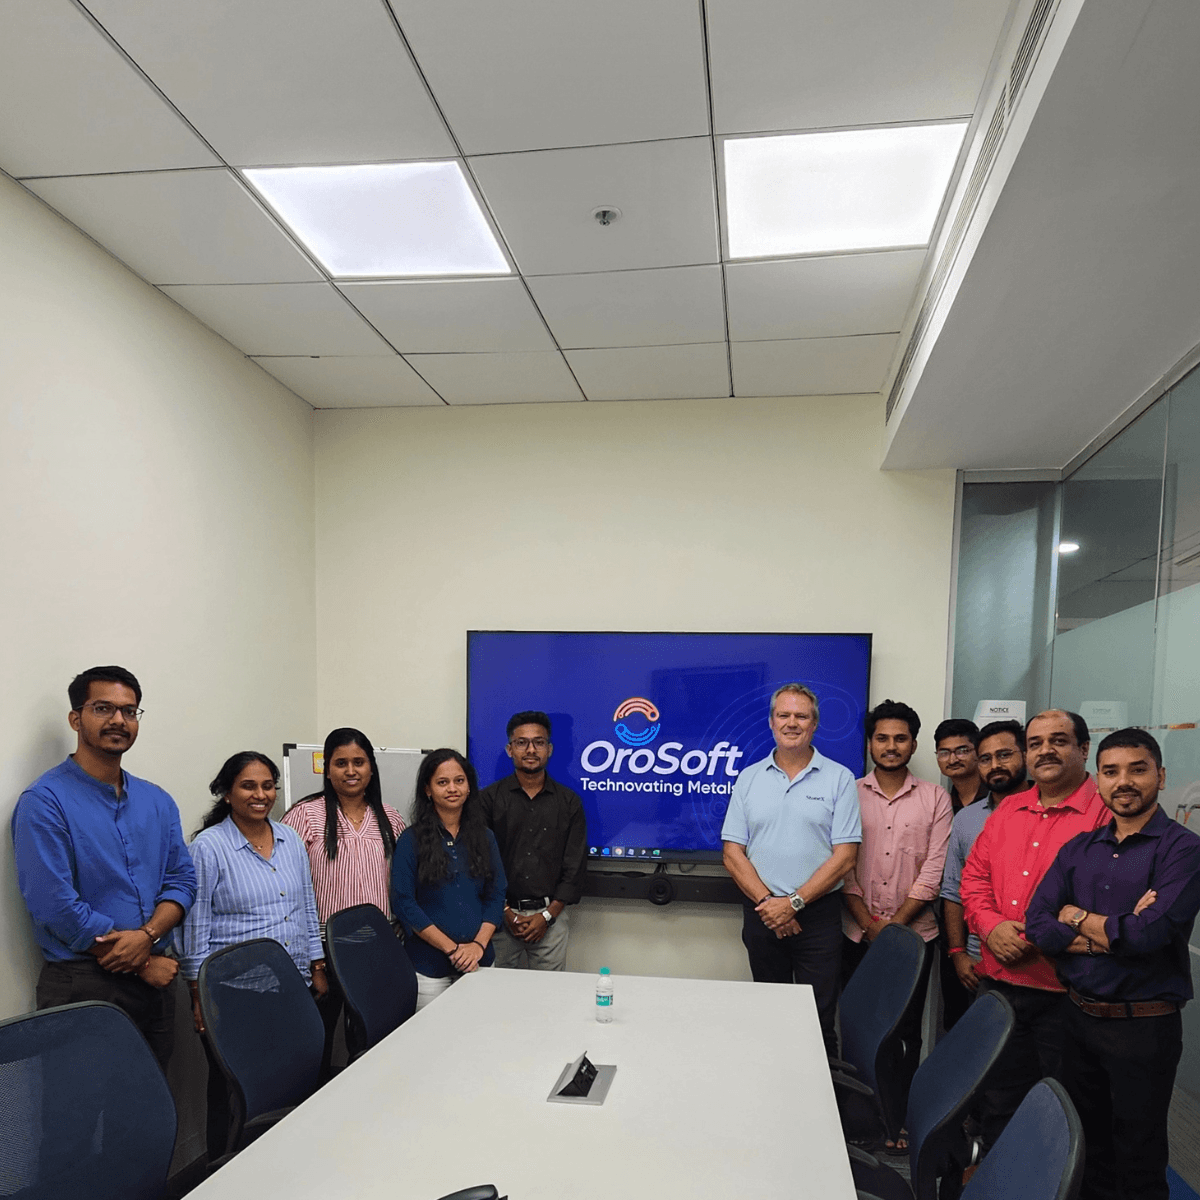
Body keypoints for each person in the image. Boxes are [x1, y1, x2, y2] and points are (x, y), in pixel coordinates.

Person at [1027, 729, 1200, 1200]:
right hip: (1076, 1018)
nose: (1123, 781)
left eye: (1137, 770)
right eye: (1111, 771)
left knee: (1138, 1160)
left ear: (1161, 776)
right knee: (1085, 1152)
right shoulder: (1078, 849)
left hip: (1142, 1028)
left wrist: (1075, 915)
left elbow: (1148, 936)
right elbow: (1038, 924)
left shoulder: (1183, 849)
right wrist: (1108, 936)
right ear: (1097, 779)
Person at [11, 665, 195, 1071]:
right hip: (85, 983)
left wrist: (149, 936)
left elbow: (182, 880)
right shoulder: (44, 801)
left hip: (155, 983)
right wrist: (142, 962)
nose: (118, 720)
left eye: (129, 711)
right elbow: (55, 904)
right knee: (81, 1106)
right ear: (75, 719)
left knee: (150, 1101)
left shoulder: (157, 800)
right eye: (103, 708)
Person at [960, 709, 1107, 1148]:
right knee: (997, 1102)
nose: (1046, 751)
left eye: (1058, 741)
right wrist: (991, 927)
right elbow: (974, 878)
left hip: (1068, 993)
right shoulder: (1009, 808)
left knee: (1063, 1113)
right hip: (1000, 984)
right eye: (1036, 743)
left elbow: (1108, 901)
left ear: (1083, 749)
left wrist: (1031, 936)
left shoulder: (1105, 813)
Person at [179, 751, 326, 1160]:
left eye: (267, 786)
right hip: (235, 993)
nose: (260, 795)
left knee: (290, 1082)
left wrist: (316, 964)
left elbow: (306, 904)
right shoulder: (209, 847)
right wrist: (198, 994)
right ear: (227, 793)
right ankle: (223, 1172)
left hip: (291, 985)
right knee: (235, 1091)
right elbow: (195, 924)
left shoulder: (290, 839)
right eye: (248, 786)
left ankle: (287, 1163)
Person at [721, 683, 860, 1060]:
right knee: (769, 1016)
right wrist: (771, 904)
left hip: (817, 916)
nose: (792, 723)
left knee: (818, 1020)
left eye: (802, 716)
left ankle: (827, 1094)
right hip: (762, 913)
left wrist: (793, 903)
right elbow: (732, 853)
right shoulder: (749, 778)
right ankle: (773, 1090)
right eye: (784, 715)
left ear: (815, 724)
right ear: (771, 722)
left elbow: (845, 856)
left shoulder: (839, 779)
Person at [842, 700, 953, 1146]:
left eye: (900, 738)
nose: (891, 746)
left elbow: (935, 870)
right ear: (870, 743)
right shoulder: (846, 792)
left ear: (913, 744)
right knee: (856, 1030)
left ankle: (898, 1119)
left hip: (915, 938)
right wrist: (868, 923)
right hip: (855, 934)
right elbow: (842, 865)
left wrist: (892, 930)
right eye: (882, 738)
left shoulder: (935, 798)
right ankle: (861, 1122)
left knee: (905, 1033)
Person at [282, 727, 405, 1074]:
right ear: (327, 769)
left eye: (359, 762)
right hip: (324, 951)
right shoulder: (305, 815)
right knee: (316, 1040)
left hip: (379, 947)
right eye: (341, 763)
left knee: (371, 1041)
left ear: (371, 768)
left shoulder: (390, 817)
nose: (351, 771)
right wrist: (314, 959)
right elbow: (285, 887)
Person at [391, 749, 506, 1010]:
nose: (452, 788)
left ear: (469, 787)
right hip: (428, 968)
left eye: (459, 781)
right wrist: (452, 949)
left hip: (479, 961)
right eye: (442, 782)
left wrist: (477, 946)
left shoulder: (485, 837)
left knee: (481, 1030)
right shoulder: (411, 840)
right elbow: (404, 902)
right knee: (432, 1034)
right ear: (428, 790)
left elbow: (497, 893)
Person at [480, 711, 587, 971]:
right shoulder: (488, 800)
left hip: (551, 919)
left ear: (549, 749)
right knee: (496, 991)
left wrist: (547, 916)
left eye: (539, 742)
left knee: (549, 993)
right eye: (522, 743)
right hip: (498, 919)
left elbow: (574, 867)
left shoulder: (569, 802)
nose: (530, 750)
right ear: (510, 750)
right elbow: (480, 862)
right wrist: (505, 912)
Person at [940, 720, 1029, 1027]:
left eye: (1004, 755)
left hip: (1035, 962)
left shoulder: (1046, 813)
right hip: (979, 963)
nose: (995, 766)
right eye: (985, 759)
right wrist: (957, 952)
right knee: (977, 1046)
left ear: (1025, 755)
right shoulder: (966, 819)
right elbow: (953, 890)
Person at [935, 718, 987, 814]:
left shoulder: (997, 795)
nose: (952, 760)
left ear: (978, 752)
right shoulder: (942, 802)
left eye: (962, 751)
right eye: (944, 753)